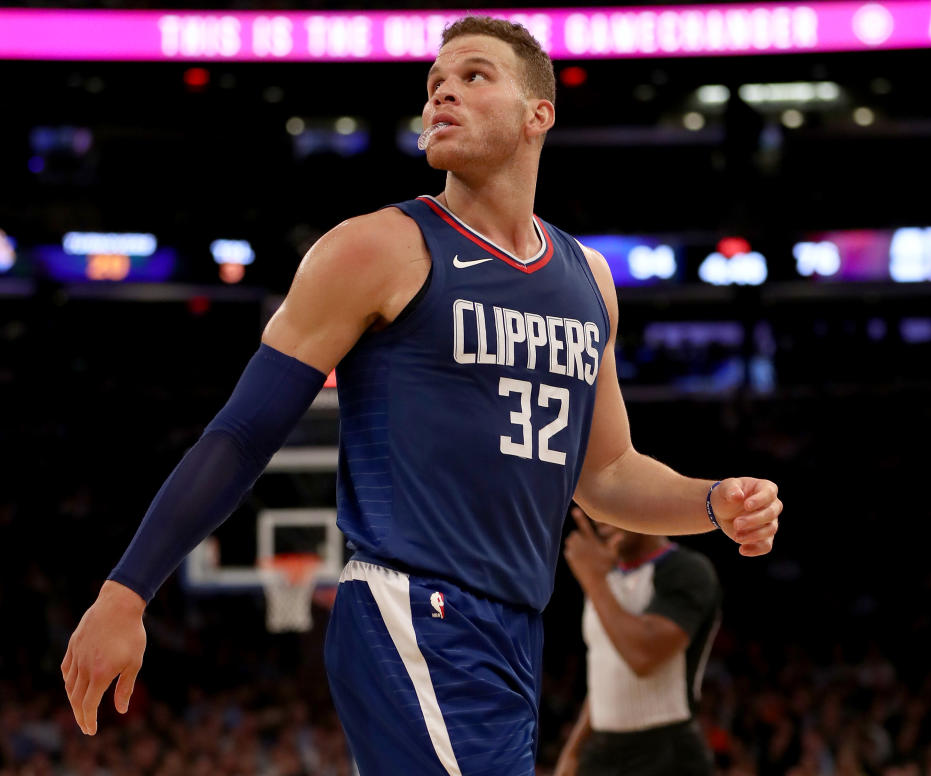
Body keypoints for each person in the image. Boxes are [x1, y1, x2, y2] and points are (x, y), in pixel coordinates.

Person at [61, 16, 782, 776]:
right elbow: (244, 432)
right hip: (413, 607)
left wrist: (711, 502)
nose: (443, 93)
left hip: (513, 629)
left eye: (474, 76)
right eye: (435, 83)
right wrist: (125, 593)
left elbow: (605, 476)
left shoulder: (588, 281)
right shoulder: (378, 248)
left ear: (539, 113)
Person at [554, 507, 721, 776]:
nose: (600, 516)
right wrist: (573, 752)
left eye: (614, 503)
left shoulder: (688, 570)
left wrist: (594, 581)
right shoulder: (605, 577)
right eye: (596, 505)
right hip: (601, 748)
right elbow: (606, 672)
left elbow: (642, 657)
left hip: (666, 752)